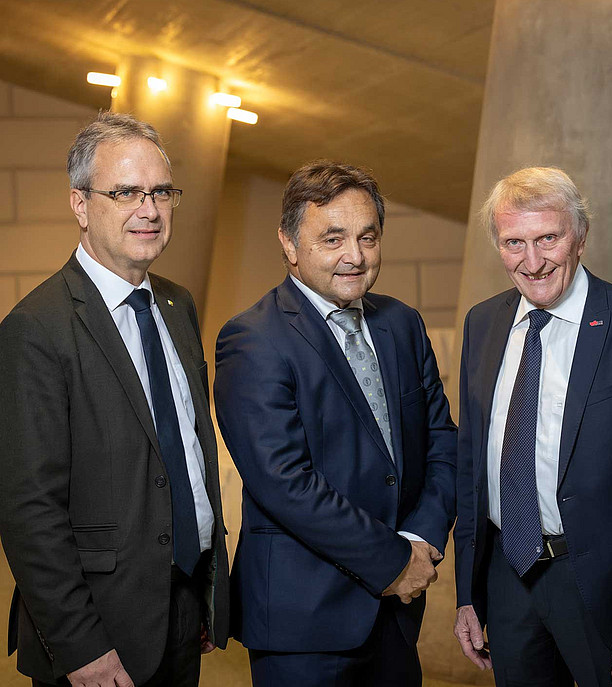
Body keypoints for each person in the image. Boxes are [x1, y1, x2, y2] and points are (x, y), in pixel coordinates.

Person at [0, 111, 230, 686]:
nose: (148, 210)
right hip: (96, 632)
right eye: (125, 192)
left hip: (180, 610)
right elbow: (29, 511)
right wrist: (80, 649)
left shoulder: (178, 307)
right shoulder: (36, 327)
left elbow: (183, 457)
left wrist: (201, 593)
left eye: (160, 192)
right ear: (80, 204)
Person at [214, 160, 457, 687]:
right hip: (305, 621)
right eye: (332, 238)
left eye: (367, 237)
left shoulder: (402, 324)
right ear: (288, 243)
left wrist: (422, 537)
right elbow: (285, 484)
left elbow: (442, 443)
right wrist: (394, 560)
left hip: (396, 614)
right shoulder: (253, 339)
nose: (355, 256)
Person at [453, 167, 612, 687]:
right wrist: (468, 595)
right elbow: (471, 467)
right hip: (508, 575)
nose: (533, 261)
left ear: (580, 236)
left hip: (604, 588)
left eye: (549, 238)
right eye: (514, 242)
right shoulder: (482, 323)